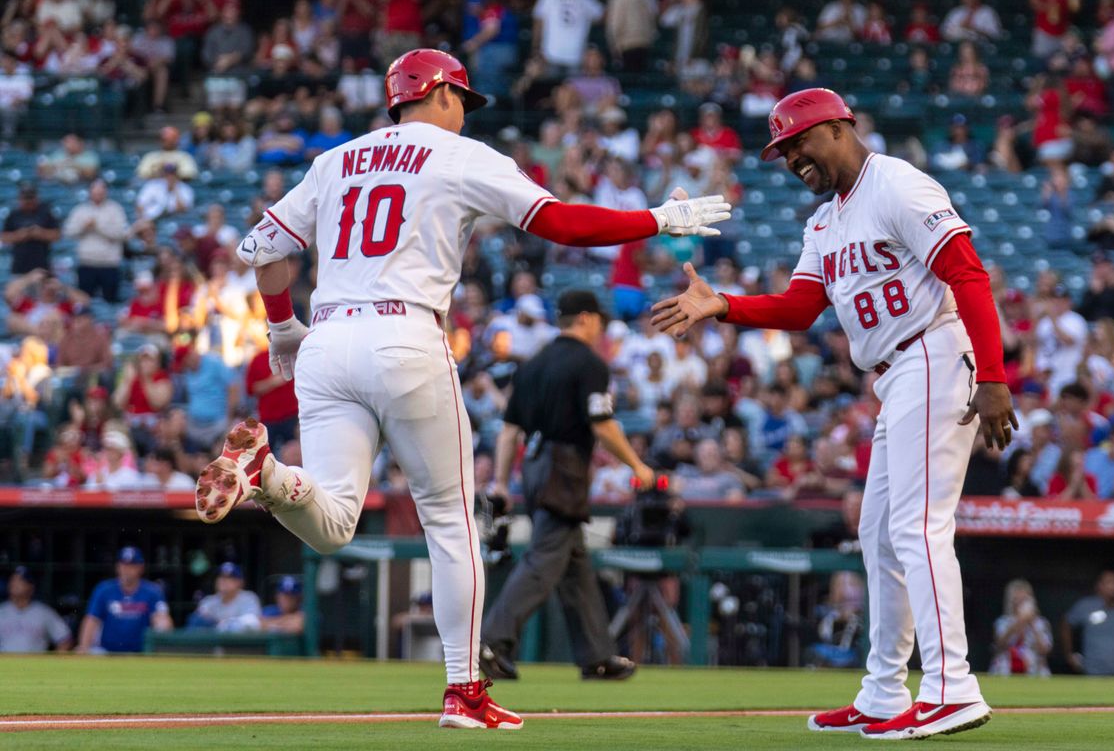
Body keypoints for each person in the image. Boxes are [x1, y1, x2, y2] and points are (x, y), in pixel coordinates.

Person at [194, 48, 728, 730]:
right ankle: (464, 692)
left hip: (327, 339)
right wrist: (656, 220)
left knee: (331, 524)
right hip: (404, 333)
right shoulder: (458, 155)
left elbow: (265, 248)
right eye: (462, 102)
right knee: (449, 522)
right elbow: (560, 223)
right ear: (442, 94)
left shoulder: (336, 159)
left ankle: (266, 473)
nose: (463, 115)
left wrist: (283, 330)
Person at [651, 87, 1015, 740]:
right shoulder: (824, 222)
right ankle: (882, 692)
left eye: (798, 141)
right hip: (895, 373)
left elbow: (968, 274)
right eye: (782, 150)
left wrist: (993, 378)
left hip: (933, 350)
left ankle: (951, 688)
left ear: (840, 128)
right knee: (877, 534)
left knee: (916, 527)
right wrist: (724, 305)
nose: (791, 157)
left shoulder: (898, 185)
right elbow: (797, 309)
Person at [479, 289, 643, 683]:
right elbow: (601, 425)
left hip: (533, 465)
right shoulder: (590, 364)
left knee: (574, 563)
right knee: (546, 556)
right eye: (599, 320)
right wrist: (637, 464)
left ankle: (597, 655)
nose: (601, 328)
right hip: (563, 466)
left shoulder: (534, 363)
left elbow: (508, 431)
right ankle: (489, 642)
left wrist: (502, 482)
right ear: (586, 318)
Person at [77, 546, 173, 653]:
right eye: (124, 565)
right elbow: (91, 620)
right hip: (107, 651)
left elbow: (163, 620)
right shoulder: (104, 589)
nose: (127, 570)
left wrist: (161, 625)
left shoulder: (153, 591)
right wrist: (84, 646)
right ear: (117, 567)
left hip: (141, 652)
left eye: (132, 566)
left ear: (141, 568)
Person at [1061, 570, 1114, 676]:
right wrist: (1069, 654)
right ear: (1099, 586)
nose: (1113, 586)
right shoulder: (1085, 606)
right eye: (1108, 582)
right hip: (1093, 670)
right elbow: (1066, 624)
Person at [63, 179, 128, 302]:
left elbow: (122, 234)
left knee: (110, 301)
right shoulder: (80, 210)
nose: (98, 194)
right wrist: (84, 227)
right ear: (90, 192)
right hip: (87, 264)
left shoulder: (115, 209)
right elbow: (68, 232)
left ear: (106, 192)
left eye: (101, 191)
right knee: (84, 302)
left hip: (109, 264)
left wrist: (98, 227)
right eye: (95, 191)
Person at [0, 566, 72, 652]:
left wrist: (54, 663)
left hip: (34, 663)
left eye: (20, 580)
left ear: (31, 587)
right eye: (13, 580)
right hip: (5, 663)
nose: (14, 583)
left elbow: (65, 640)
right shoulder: (1, 610)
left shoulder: (43, 612)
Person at [989, 579, 1051, 676]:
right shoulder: (1002, 622)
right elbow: (1000, 644)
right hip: (1005, 670)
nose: (1021, 603)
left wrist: (1031, 623)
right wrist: (1019, 622)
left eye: (1024, 599)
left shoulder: (1040, 623)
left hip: (1034, 671)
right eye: (1017, 599)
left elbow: (1044, 649)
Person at [1, 183, 61, 276]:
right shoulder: (13, 215)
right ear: (20, 199)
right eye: (26, 198)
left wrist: (40, 233)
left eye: (31, 198)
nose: (28, 202)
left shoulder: (45, 212)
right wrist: (20, 235)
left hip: (42, 265)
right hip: (19, 266)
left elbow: (57, 235)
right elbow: (4, 238)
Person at [189, 562, 262, 632]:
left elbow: (252, 623)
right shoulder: (208, 601)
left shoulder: (249, 598)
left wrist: (224, 624)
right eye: (220, 577)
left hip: (240, 643)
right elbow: (197, 622)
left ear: (240, 582)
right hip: (213, 643)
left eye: (229, 577)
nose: (223, 581)